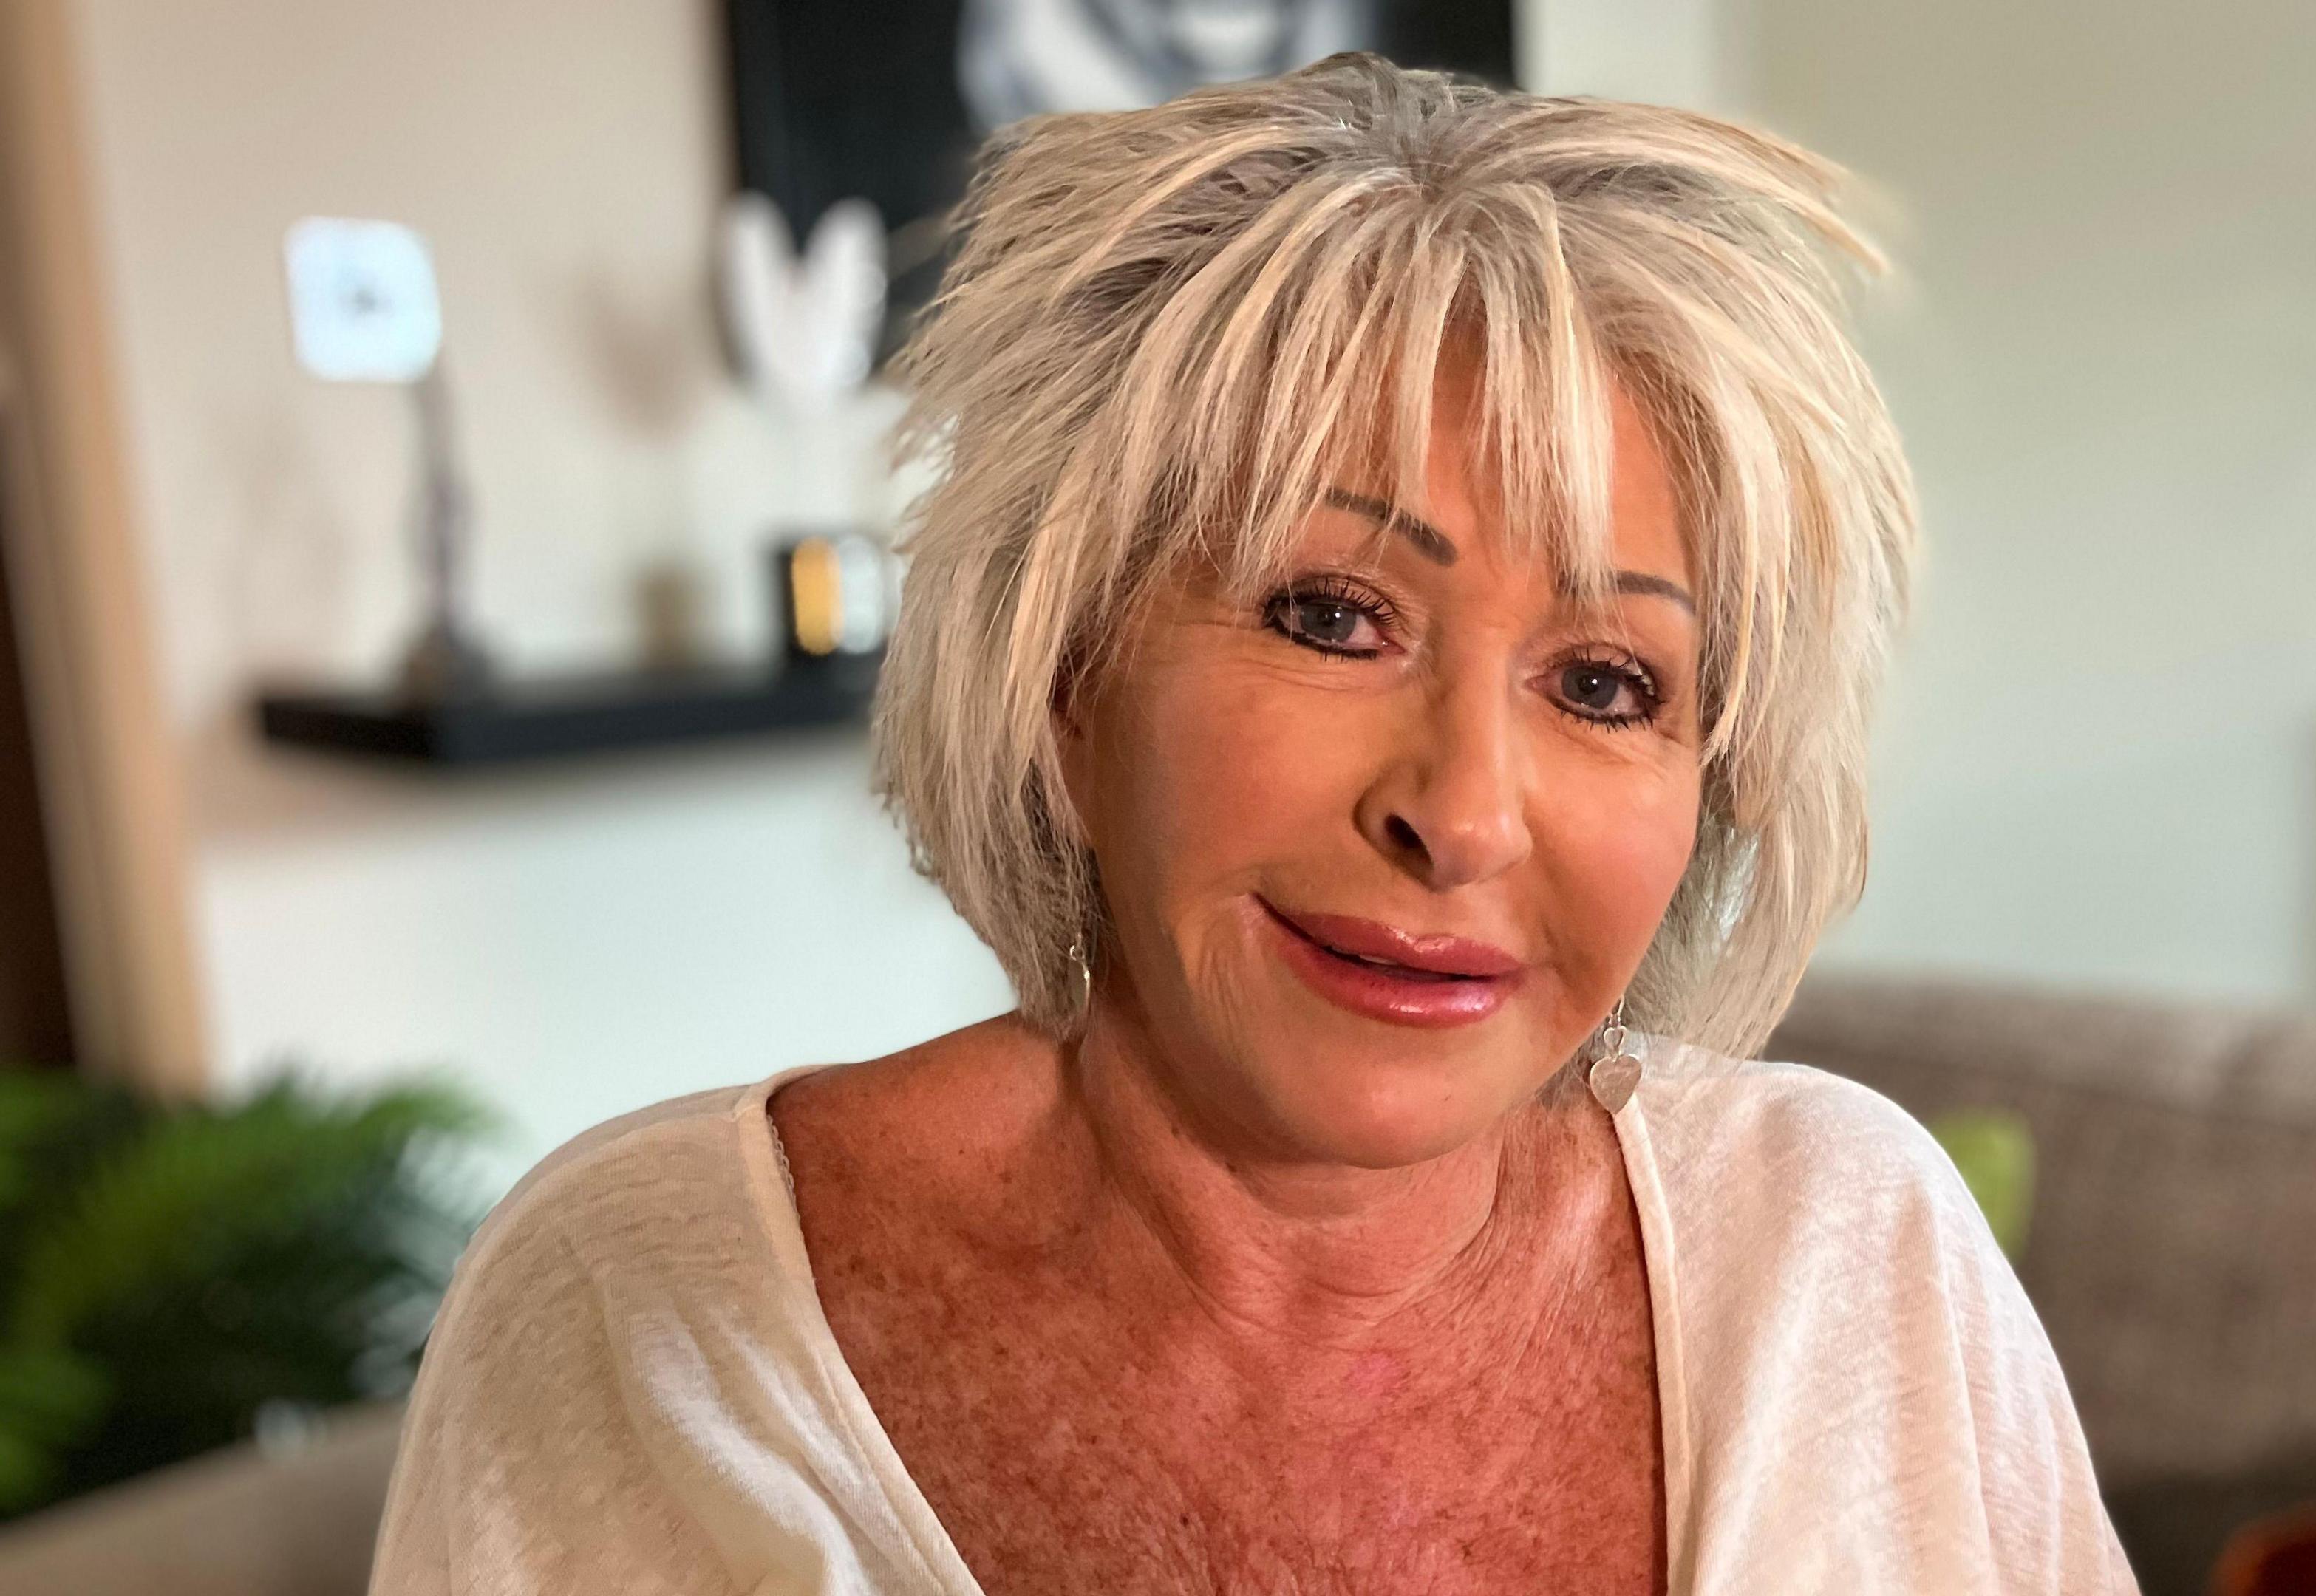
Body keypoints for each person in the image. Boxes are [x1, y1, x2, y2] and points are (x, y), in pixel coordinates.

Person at [370, 53, 2134, 1595]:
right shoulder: (644, 1316)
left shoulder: (1851, 1249)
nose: (1457, 815)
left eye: (1606, 683)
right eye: (1329, 616)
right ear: (1065, 677)